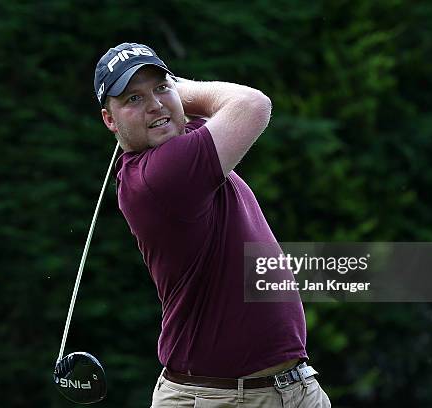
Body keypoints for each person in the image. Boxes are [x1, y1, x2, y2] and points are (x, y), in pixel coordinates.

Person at [94, 42, 331, 408]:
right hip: (221, 398)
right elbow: (252, 106)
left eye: (159, 88)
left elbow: (213, 116)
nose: (155, 104)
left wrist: (165, 100)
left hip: (290, 389)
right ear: (110, 120)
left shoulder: (180, 146)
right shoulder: (163, 174)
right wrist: (178, 89)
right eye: (133, 99)